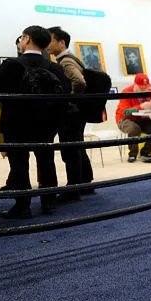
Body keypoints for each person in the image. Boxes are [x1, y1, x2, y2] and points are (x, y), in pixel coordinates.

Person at [0, 25, 70, 218]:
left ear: (26, 39)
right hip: (45, 123)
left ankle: (22, 206)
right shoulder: (54, 67)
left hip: (16, 123)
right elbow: (65, 94)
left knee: (19, 164)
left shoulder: (11, 65)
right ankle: (48, 202)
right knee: (46, 161)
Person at [48, 26, 95, 200]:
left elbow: (79, 81)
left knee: (70, 148)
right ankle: (85, 183)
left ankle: (73, 188)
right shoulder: (71, 58)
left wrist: (71, 101)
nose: (48, 44)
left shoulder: (65, 62)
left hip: (72, 113)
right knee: (77, 146)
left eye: (51, 40)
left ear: (62, 42)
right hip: (78, 112)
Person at [115, 73, 151, 163]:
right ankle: (132, 154)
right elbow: (125, 112)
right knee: (134, 129)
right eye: (142, 88)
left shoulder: (150, 92)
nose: (144, 90)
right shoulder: (126, 92)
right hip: (125, 119)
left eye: (146, 87)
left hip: (143, 119)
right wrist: (140, 107)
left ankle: (145, 152)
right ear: (135, 85)